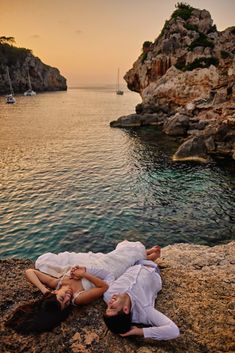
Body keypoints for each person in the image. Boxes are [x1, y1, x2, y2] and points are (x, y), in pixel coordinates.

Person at [6, 241, 161, 334]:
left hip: (96, 265)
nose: (67, 297)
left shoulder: (56, 284)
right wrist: (84, 275)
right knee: (125, 258)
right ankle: (147, 256)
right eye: (66, 303)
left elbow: (30, 272)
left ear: (53, 292)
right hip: (106, 272)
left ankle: (146, 254)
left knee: (116, 255)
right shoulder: (78, 298)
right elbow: (104, 286)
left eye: (61, 298)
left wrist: (44, 290)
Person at [103, 260, 180, 341]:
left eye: (107, 307)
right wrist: (138, 331)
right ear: (125, 309)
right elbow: (173, 331)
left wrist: (88, 272)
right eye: (112, 307)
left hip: (133, 263)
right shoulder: (145, 310)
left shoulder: (108, 294)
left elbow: (108, 276)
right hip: (152, 267)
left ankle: (148, 254)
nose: (109, 302)